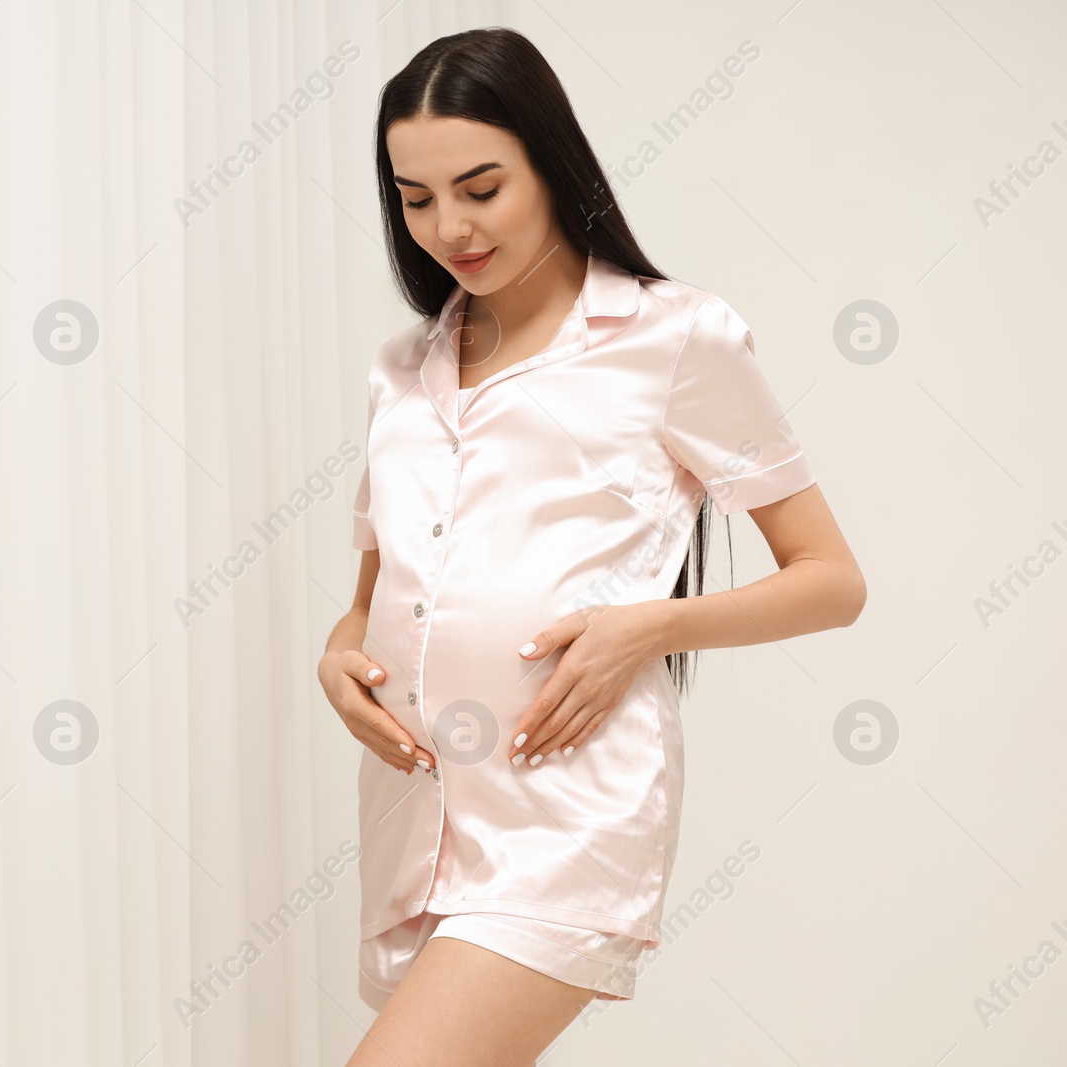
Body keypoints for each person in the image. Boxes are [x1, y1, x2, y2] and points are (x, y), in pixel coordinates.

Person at [316, 27, 866, 1065]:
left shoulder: (674, 339)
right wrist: (338, 656)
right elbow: (374, 591)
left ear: (551, 165)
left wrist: (647, 627)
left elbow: (831, 581)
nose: (450, 226)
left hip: (561, 821)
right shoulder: (404, 366)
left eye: (482, 186)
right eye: (415, 195)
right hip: (416, 815)